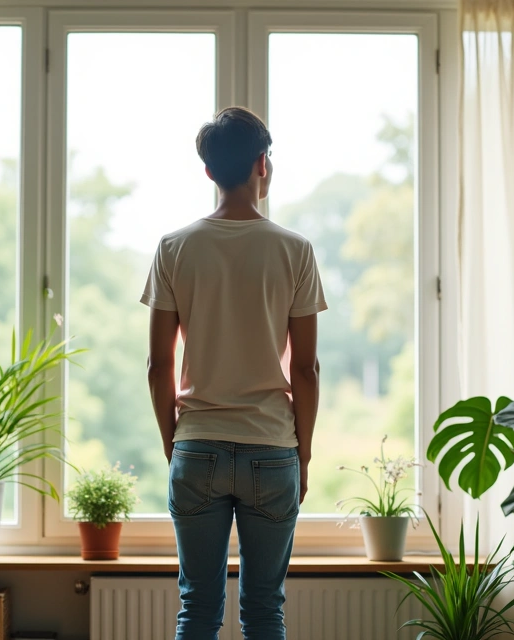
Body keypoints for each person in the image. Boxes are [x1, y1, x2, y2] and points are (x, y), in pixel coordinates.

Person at [142, 106, 326, 640]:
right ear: (262, 164)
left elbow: (158, 365)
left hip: (197, 445)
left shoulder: (174, 248)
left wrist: (172, 443)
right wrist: (303, 453)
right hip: (272, 449)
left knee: (197, 608)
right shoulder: (295, 249)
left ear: (208, 172)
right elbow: (307, 369)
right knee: (265, 610)